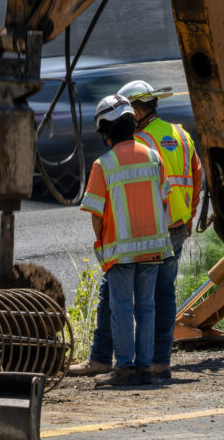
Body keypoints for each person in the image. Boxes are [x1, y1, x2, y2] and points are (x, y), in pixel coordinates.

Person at [71, 80, 202, 382]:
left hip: (136, 236)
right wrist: (190, 216)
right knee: (158, 301)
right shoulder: (180, 135)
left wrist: (104, 243)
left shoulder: (134, 147)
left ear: (138, 109)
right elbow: (194, 175)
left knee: (117, 301)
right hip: (169, 232)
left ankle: (113, 362)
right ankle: (156, 364)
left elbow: (102, 209)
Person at [78, 94, 173, 387]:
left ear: (106, 130)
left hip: (120, 252)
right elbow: (164, 201)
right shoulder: (153, 157)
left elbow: (96, 214)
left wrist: (103, 244)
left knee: (121, 308)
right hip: (155, 248)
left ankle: (123, 369)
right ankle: (144, 368)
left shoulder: (103, 165)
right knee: (147, 307)